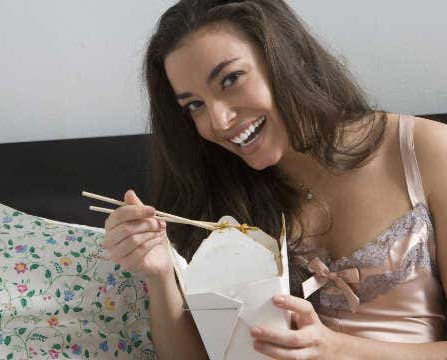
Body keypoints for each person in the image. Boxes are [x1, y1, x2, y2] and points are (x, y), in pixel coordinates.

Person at [102, 0, 447, 358]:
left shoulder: (424, 151)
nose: (218, 122)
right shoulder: (222, 197)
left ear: (288, 56)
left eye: (230, 79)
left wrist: (336, 349)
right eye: (195, 105)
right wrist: (159, 276)